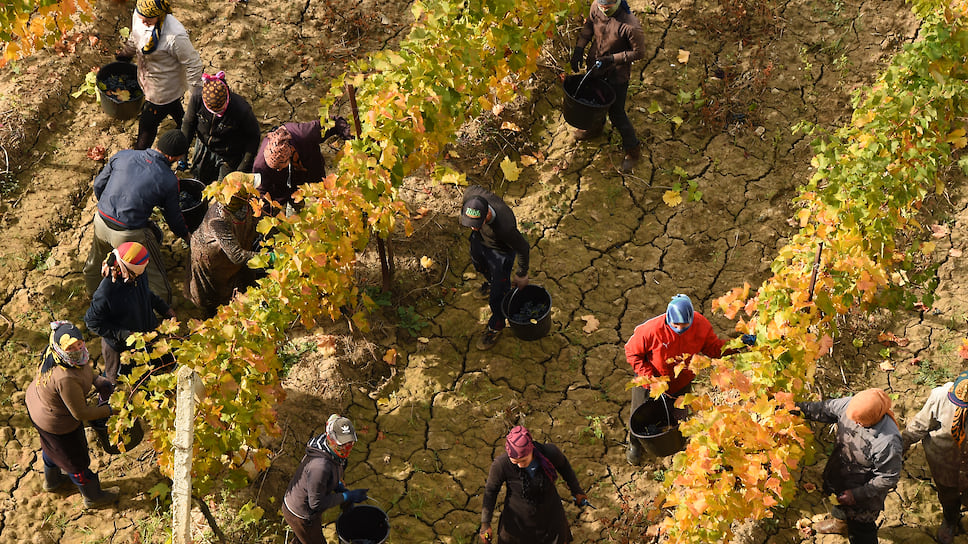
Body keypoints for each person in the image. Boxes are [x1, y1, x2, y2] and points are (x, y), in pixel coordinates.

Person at [623, 294, 746, 465]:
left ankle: (676, 446)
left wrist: (739, 344)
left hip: (681, 382)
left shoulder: (700, 325)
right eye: (676, 325)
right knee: (640, 415)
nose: (680, 328)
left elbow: (714, 348)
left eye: (685, 325)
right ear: (668, 318)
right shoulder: (651, 330)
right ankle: (635, 445)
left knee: (678, 416)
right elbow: (632, 352)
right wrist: (651, 380)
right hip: (650, 382)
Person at [82, 129, 191, 304]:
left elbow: (99, 184)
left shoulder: (123, 155)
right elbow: (173, 216)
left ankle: (92, 293)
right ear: (174, 158)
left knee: (95, 261)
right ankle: (163, 307)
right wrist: (186, 235)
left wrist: (108, 207)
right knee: (155, 272)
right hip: (129, 234)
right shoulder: (168, 179)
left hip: (101, 220)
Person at [24, 321, 120, 508]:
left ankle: (53, 482)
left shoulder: (63, 356)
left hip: (39, 409)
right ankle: (93, 498)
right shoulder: (65, 378)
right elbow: (80, 413)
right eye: (70, 347)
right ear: (60, 348)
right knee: (75, 461)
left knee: (52, 448)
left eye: (79, 343)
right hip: (55, 423)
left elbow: (83, 369)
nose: (77, 349)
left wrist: (97, 380)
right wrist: (110, 409)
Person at [797, 389, 903, 542]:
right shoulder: (849, 405)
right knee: (838, 499)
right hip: (841, 471)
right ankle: (840, 525)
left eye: (860, 422)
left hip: (865, 491)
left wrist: (856, 495)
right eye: (852, 419)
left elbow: (888, 478)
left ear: (875, 418)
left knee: (861, 527)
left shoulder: (887, 441)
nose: (855, 424)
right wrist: (793, 409)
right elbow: (822, 409)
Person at [84, 242, 176, 385]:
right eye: (135, 275)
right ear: (123, 269)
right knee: (118, 380)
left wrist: (165, 309)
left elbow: (146, 294)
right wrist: (125, 335)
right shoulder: (106, 292)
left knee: (157, 361)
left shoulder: (137, 275)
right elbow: (92, 322)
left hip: (146, 331)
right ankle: (108, 394)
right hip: (120, 347)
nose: (139, 277)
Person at [570, 0, 646, 173]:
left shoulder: (630, 25)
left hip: (616, 74)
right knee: (595, 101)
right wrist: (579, 49)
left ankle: (632, 149)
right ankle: (595, 128)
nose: (603, 9)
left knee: (616, 113)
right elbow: (589, 27)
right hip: (595, 66)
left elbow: (639, 52)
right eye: (602, 5)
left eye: (608, 7)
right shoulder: (596, 7)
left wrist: (612, 59)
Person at [117, 0, 203, 150]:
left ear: (160, 14)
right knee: (173, 106)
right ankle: (188, 125)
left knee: (147, 124)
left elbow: (193, 63)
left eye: (149, 20)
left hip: (164, 88)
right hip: (146, 78)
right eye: (141, 17)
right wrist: (125, 55)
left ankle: (139, 153)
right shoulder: (140, 15)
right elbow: (135, 36)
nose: (143, 22)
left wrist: (195, 96)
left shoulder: (175, 36)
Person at [480, 426, 589, 544]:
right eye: (515, 462)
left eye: (524, 460)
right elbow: (491, 491)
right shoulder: (501, 465)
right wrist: (485, 523)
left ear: (531, 450)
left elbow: (565, 467)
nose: (520, 465)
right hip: (518, 524)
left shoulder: (549, 453)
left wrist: (577, 490)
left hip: (550, 517)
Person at [459, 185, 530, 351]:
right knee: (478, 263)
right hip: (481, 242)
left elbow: (523, 248)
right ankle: (490, 283)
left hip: (500, 253)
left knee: (498, 296)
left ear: (488, 215)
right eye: (470, 223)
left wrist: (522, 273)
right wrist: (476, 228)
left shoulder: (505, 226)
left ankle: (496, 325)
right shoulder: (471, 195)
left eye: (477, 223)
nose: (472, 227)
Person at [901, 371, 968, 544]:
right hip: (944, 463)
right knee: (948, 495)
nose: (961, 411)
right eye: (958, 405)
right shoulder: (940, 397)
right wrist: (902, 443)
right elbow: (921, 424)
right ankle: (950, 520)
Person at [283, 414, 369, 544]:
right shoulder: (320, 467)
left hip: (307, 504)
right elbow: (316, 503)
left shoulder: (331, 450)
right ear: (331, 438)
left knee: (304, 538)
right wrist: (346, 496)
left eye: (350, 443)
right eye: (343, 443)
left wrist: (337, 484)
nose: (347, 447)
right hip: (301, 514)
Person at [187, 172, 261, 317]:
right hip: (212, 258)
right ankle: (212, 317)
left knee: (241, 279)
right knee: (214, 291)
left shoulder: (243, 204)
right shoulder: (218, 219)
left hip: (234, 247)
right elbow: (237, 256)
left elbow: (258, 221)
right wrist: (268, 257)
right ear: (240, 196)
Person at [180, 71, 261, 184]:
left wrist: (242, 167)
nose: (218, 114)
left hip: (229, 153)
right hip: (204, 147)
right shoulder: (197, 98)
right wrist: (182, 151)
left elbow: (254, 137)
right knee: (200, 179)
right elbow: (188, 123)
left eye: (220, 110)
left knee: (223, 188)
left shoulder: (241, 109)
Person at [252, 118, 351, 209]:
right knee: (294, 207)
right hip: (284, 189)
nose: (279, 170)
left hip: (311, 170)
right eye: (275, 168)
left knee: (324, 200)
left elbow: (332, 123)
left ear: (289, 154)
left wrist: (351, 137)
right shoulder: (260, 165)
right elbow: (261, 192)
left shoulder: (303, 134)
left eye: (280, 166)